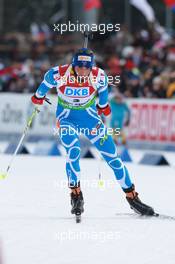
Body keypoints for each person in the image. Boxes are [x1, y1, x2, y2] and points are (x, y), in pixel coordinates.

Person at [31, 48, 155, 217]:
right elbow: (41, 90)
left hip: (90, 120)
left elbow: (104, 95)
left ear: (91, 66)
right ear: (73, 65)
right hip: (66, 120)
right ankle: (76, 195)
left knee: (113, 158)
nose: (83, 70)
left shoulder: (99, 75)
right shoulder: (57, 74)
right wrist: (37, 98)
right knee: (73, 150)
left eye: (86, 67)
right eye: (80, 67)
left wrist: (104, 107)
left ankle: (132, 198)